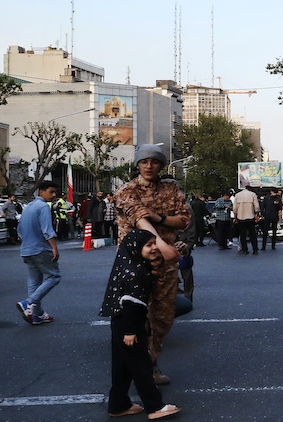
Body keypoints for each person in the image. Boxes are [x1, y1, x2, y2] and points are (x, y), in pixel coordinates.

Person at [114, 144, 190, 386]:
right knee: (134, 316)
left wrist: (160, 218)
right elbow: (138, 218)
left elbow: (184, 220)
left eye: (154, 162)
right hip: (135, 265)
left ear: (161, 165)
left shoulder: (171, 189)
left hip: (165, 265)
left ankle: (151, 359)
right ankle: (138, 367)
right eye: (144, 161)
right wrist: (161, 242)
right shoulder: (127, 190)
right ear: (137, 164)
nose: (149, 166)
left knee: (162, 316)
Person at [100, 228, 181, 420]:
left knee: (122, 367)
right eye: (148, 245)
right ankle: (155, 406)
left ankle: (118, 404)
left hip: (120, 322)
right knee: (141, 365)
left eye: (154, 243)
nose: (154, 248)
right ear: (136, 248)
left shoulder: (128, 265)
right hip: (130, 324)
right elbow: (130, 304)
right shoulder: (137, 273)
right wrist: (130, 332)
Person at [17, 181, 61, 325]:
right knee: (54, 276)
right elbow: (47, 230)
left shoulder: (28, 207)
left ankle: (36, 314)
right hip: (40, 249)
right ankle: (29, 303)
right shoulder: (43, 207)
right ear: (41, 192)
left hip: (26, 250)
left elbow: (19, 230)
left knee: (34, 282)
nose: (54, 195)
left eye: (55, 192)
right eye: (51, 192)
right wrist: (54, 247)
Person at [232, 186, 259, 255]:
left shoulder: (238, 195)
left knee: (242, 234)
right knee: (252, 234)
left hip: (240, 217)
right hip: (250, 216)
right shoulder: (253, 194)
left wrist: (235, 217)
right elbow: (256, 207)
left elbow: (234, 208)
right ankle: (255, 249)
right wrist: (257, 215)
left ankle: (244, 249)